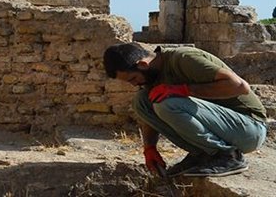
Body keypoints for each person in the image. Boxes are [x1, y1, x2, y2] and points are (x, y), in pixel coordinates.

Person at [103, 42, 267, 177]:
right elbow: (149, 113)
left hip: (249, 129)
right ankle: (202, 154)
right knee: (141, 101)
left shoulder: (183, 58)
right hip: (225, 130)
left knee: (167, 103)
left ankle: (228, 157)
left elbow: (239, 86)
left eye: (133, 78)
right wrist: (149, 147)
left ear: (143, 64)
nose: (134, 84)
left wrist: (182, 90)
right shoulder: (152, 75)